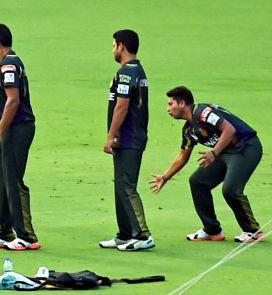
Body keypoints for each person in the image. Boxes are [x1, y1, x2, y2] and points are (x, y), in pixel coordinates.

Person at [150, 86, 264, 243]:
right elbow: (183, 156)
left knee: (230, 189)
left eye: (171, 104)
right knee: (198, 182)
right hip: (225, 151)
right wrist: (165, 177)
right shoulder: (189, 130)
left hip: (246, 147)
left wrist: (214, 153)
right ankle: (212, 230)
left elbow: (229, 130)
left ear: (182, 103)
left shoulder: (203, 113)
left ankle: (253, 231)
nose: (168, 109)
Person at [0, 24, 40, 251]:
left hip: (18, 129)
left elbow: (13, 101)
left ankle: (26, 236)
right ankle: (5, 232)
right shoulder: (6, 64)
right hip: (10, 130)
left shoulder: (9, 64)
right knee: (3, 181)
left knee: (13, 181)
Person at [99, 29, 154, 251]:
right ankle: (124, 234)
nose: (112, 49)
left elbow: (122, 106)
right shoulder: (136, 70)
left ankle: (142, 235)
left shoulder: (127, 72)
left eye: (114, 45)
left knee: (128, 186)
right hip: (130, 137)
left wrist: (111, 135)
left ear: (122, 46)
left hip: (129, 137)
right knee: (121, 185)